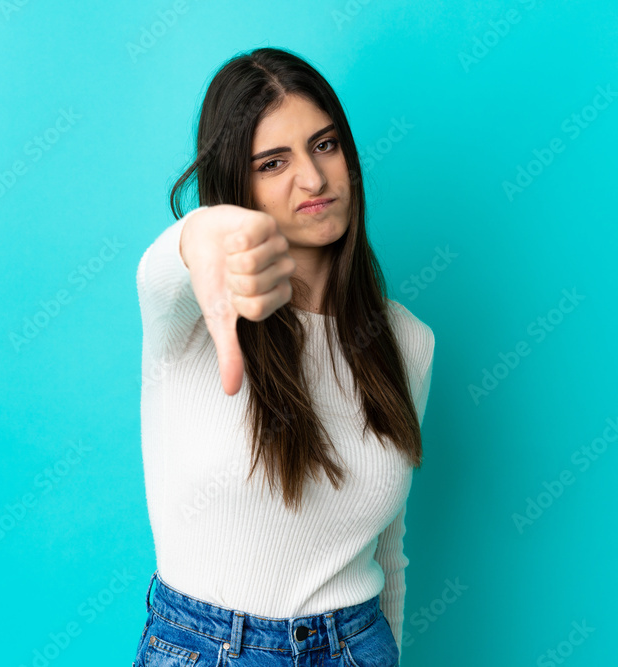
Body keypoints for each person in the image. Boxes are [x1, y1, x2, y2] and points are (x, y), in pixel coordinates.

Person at [134, 46, 435, 667]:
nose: (313, 179)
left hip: (358, 646)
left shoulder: (408, 343)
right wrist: (206, 233)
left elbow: (389, 551)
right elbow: (168, 264)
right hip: (207, 647)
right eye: (273, 162)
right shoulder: (191, 315)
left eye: (325, 146)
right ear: (235, 184)